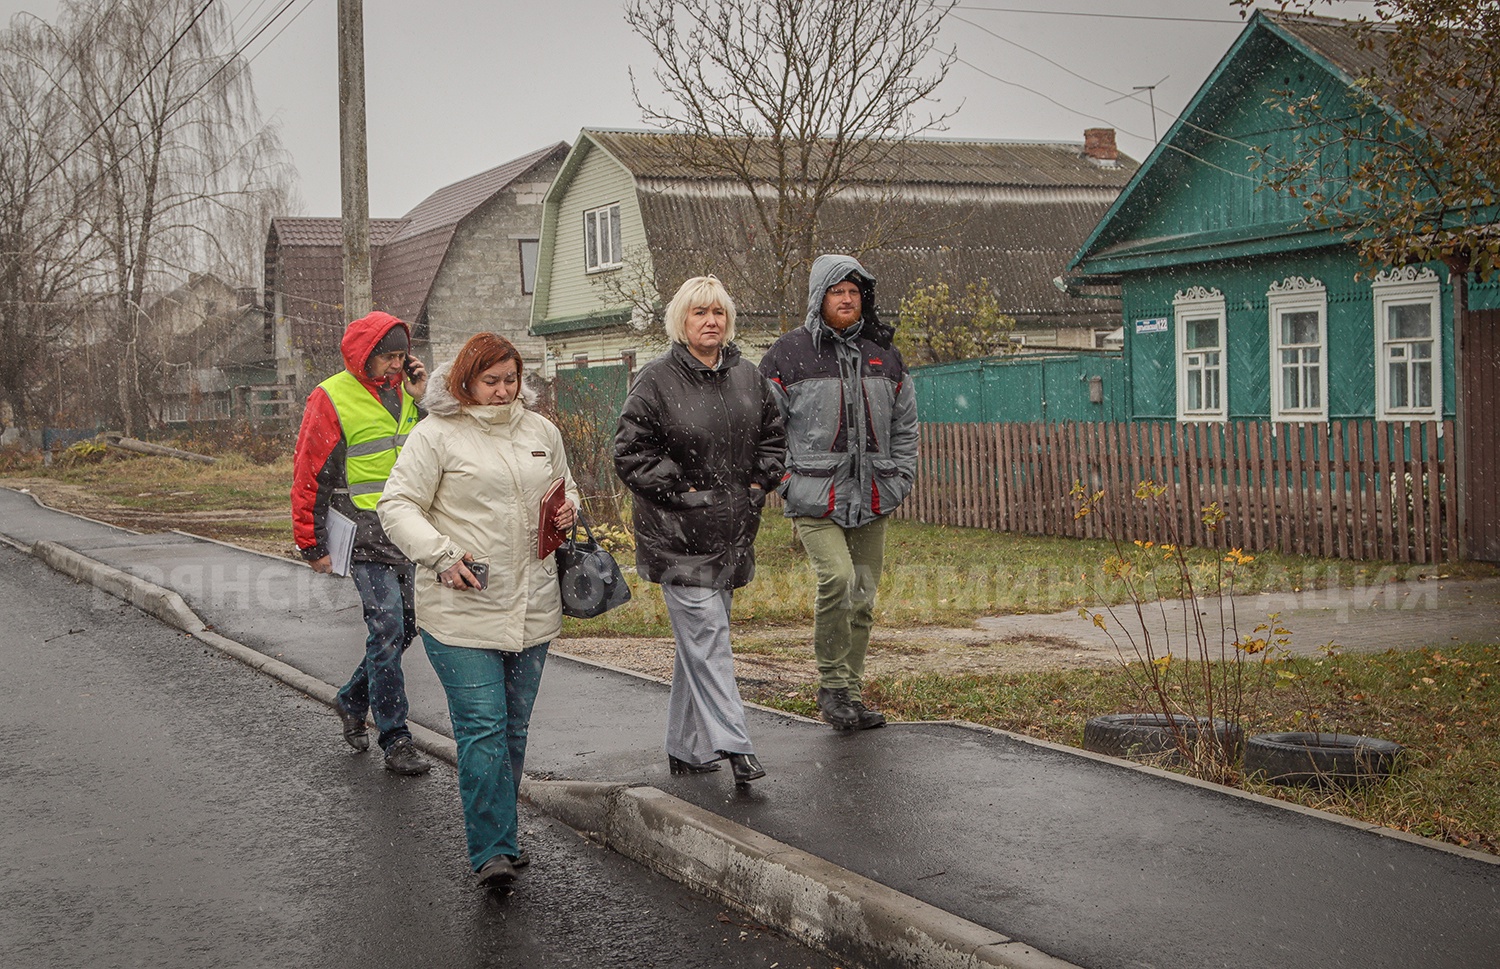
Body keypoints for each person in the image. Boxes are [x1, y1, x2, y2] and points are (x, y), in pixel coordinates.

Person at [377, 333, 579, 890]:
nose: (503, 390)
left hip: (533, 605)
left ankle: (504, 837)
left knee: (513, 730)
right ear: (465, 381)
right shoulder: (436, 434)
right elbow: (396, 505)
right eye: (490, 380)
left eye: (511, 379)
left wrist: (568, 515)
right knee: (482, 729)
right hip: (460, 608)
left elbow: (567, 492)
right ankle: (490, 849)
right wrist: (440, 554)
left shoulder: (542, 432)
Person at [614, 276, 785, 787]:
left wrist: (757, 485)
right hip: (677, 537)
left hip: (731, 534)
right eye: (699, 313)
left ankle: (686, 748)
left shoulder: (749, 378)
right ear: (681, 322)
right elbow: (631, 452)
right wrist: (684, 491)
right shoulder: (656, 380)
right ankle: (734, 743)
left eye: (718, 312)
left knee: (702, 644)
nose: (711, 321)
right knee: (709, 640)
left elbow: (774, 438)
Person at [758, 254, 918, 731]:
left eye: (854, 291)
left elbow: (904, 425)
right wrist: (785, 481)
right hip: (814, 496)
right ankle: (830, 687)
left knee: (864, 594)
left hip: (873, 494)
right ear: (818, 298)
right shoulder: (788, 354)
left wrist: (901, 477)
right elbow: (765, 426)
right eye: (836, 291)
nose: (847, 298)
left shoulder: (884, 354)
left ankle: (850, 692)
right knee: (839, 580)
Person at [292, 310, 432, 776]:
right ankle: (395, 738)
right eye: (388, 358)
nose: (396, 365)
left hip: (409, 530)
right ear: (364, 355)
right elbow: (309, 472)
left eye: (401, 356)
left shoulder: (406, 393)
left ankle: (352, 698)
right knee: (387, 627)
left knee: (410, 624)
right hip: (365, 535)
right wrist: (310, 543)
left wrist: (422, 396)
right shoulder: (330, 397)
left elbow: (440, 442)